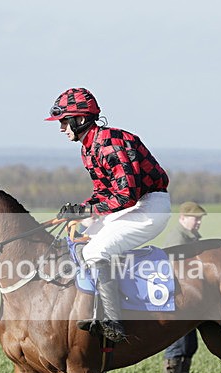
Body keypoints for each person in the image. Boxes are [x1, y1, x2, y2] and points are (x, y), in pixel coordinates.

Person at [45, 87, 171, 343]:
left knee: (94, 251)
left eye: (63, 121)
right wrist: (80, 209)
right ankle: (94, 308)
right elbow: (104, 193)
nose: (61, 128)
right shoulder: (88, 148)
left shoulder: (109, 142)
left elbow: (126, 196)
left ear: (80, 119)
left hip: (148, 206)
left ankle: (113, 321)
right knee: (79, 241)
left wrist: (88, 211)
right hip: (133, 205)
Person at [161, 201, 207, 373]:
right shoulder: (178, 238)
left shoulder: (190, 237)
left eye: (200, 219)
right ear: (183, 218)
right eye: (195, 218)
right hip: (177, 298)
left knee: (189, 345)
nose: (198, 222)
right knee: (177, 344)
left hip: (188, 300)